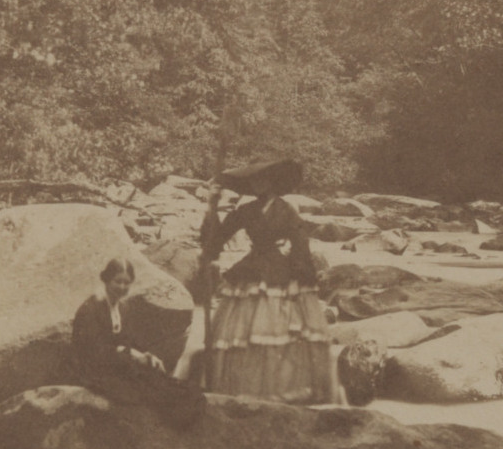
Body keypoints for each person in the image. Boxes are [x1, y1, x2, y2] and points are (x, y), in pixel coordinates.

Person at [198, 158, 334, 404]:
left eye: (262, 178)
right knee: (241, 332)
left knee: (276, 329)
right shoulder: (246, 211)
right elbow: (215, 240)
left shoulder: (286, 210)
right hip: (251, 267)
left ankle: (279, 388)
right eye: (253, 179)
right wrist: (212, 207)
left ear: (273, 181)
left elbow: (300, 242)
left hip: (278, 270)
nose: (257, 183)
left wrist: (303, 274)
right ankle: (239, 385)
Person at [71, 258, 205, 428]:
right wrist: (128, 354)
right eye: (117, 281)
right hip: (94, 370)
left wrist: (148, 356)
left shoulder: (122, 308)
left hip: (117, 364)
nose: (122, 287)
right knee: (145, 390)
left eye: (126, 283)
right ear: (106, 280)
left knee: (163, 382)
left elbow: (130, 341)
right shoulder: (91, 308)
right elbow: (91, 351)